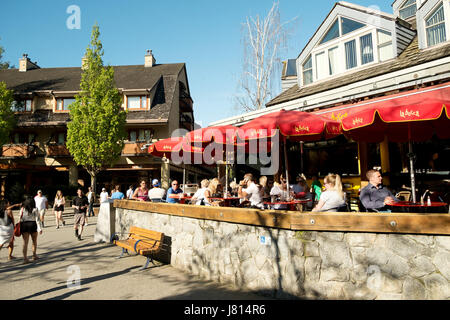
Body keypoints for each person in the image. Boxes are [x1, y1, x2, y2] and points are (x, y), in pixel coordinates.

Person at [20, 196, 42, 263]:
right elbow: (37, 220)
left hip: (24, 225)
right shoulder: (35, 209)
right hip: (32, 224)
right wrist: (39, 228)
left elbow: (20, 217)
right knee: (34, 241)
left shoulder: (22, 209)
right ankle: (34, 255)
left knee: (25, 243)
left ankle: (25, 258)